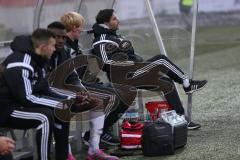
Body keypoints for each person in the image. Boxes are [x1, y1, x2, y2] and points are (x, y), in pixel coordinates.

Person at [92, 9, 208, 129]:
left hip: (133, 72)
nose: (118, 20)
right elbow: (105, 63)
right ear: (105, 23)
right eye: (114, 19)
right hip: (124, 78)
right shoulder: (102, 39)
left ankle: (182, 119)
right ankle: (187, 83)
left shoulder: (114, 36)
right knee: (161, 59)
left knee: (167, 83)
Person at [0, 28, 76, 160]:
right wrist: (61, 104)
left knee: (62, 111)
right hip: (6, 108)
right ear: (43, 46)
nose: (54, 49)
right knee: (44, 117)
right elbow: (27, 98)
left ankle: (62, 157)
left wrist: (70, 99)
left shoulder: (39, 60)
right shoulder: (21, 62)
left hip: (20, 104)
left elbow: (44, 89)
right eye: (52, 45)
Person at [48, 20, 119, 160]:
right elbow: (43, 85)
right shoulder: (41, 54)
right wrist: (71, 95)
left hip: (66, 93)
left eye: (63, 37)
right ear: (48, 38)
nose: (61, 40)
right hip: (50, 98)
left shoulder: (65, 52)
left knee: (98, 102)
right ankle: (66, 153)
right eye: (57, 37)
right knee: (63, 107)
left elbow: (74, 77)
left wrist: (82, 91)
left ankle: (94, 149)